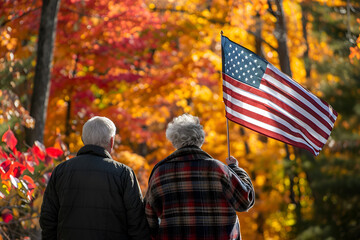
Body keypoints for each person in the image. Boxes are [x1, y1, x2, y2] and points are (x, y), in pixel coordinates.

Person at [145, 114, 255, 240]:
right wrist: (235, 169)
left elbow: (149, 217)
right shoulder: (218, 169)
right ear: (200, 138)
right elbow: (245, 200)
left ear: (174, 140)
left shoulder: (160, 173)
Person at [40, 116, 149, 240]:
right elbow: (137, 224)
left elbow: (48, 219)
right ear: (111, 141)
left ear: (83, 140)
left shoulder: (61, 171)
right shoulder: (124, 174)